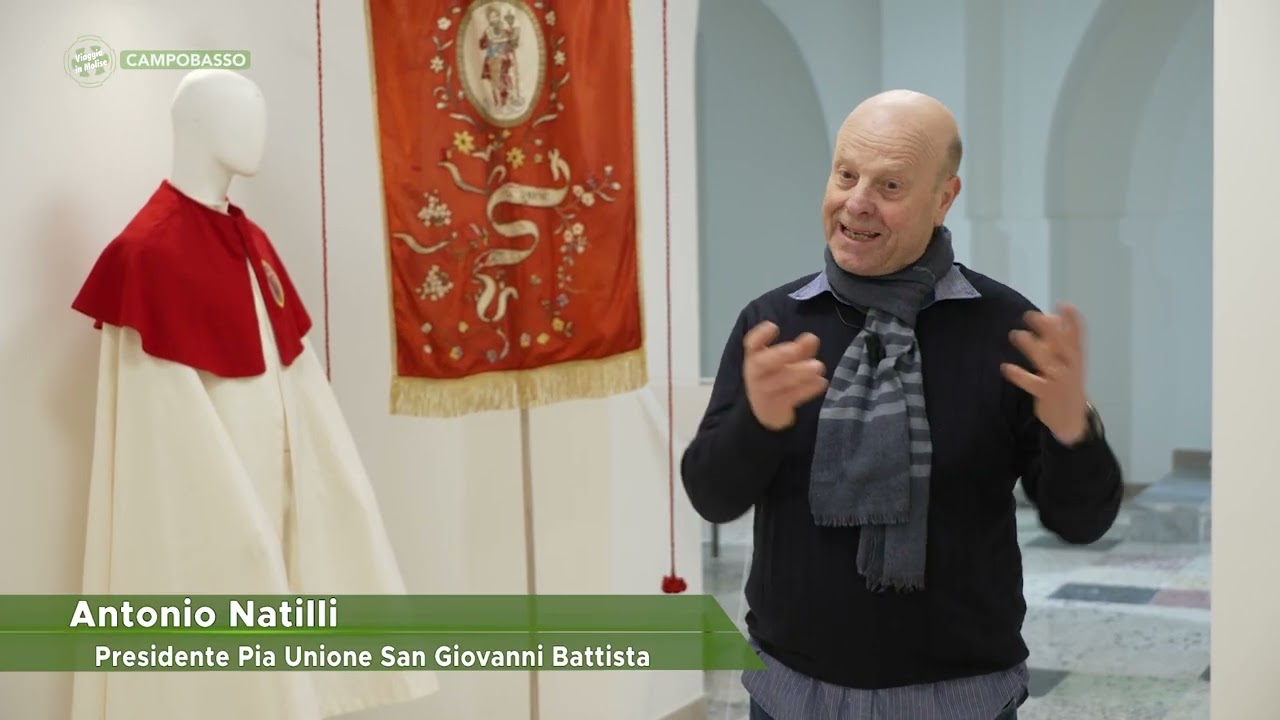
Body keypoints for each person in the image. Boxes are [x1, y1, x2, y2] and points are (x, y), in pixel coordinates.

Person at [680, 89, 1123, 720]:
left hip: (961, 696)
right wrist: (758, 423)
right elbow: (711, 496)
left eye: (890, 185)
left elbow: (1082, 522)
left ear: (944, 198)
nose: (857, 202)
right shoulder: (775, 324)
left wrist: (1073, 432)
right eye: (846, 175)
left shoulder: (1005, 331)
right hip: (793, 693)